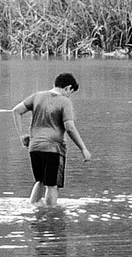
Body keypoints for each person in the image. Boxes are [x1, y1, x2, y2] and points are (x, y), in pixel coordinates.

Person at [12, 72, 92, 208]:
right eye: (70, 92)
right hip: (53, 149)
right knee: (52, 185)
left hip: (34, 147)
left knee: (40, 181)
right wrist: (83, 149)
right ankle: (51, 215)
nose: (69, 96)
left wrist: (21, 136)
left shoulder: (37, 96)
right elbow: (70, 127)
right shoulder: (65, 102)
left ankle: (33, 210)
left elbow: (16, 111)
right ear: (67, 88)